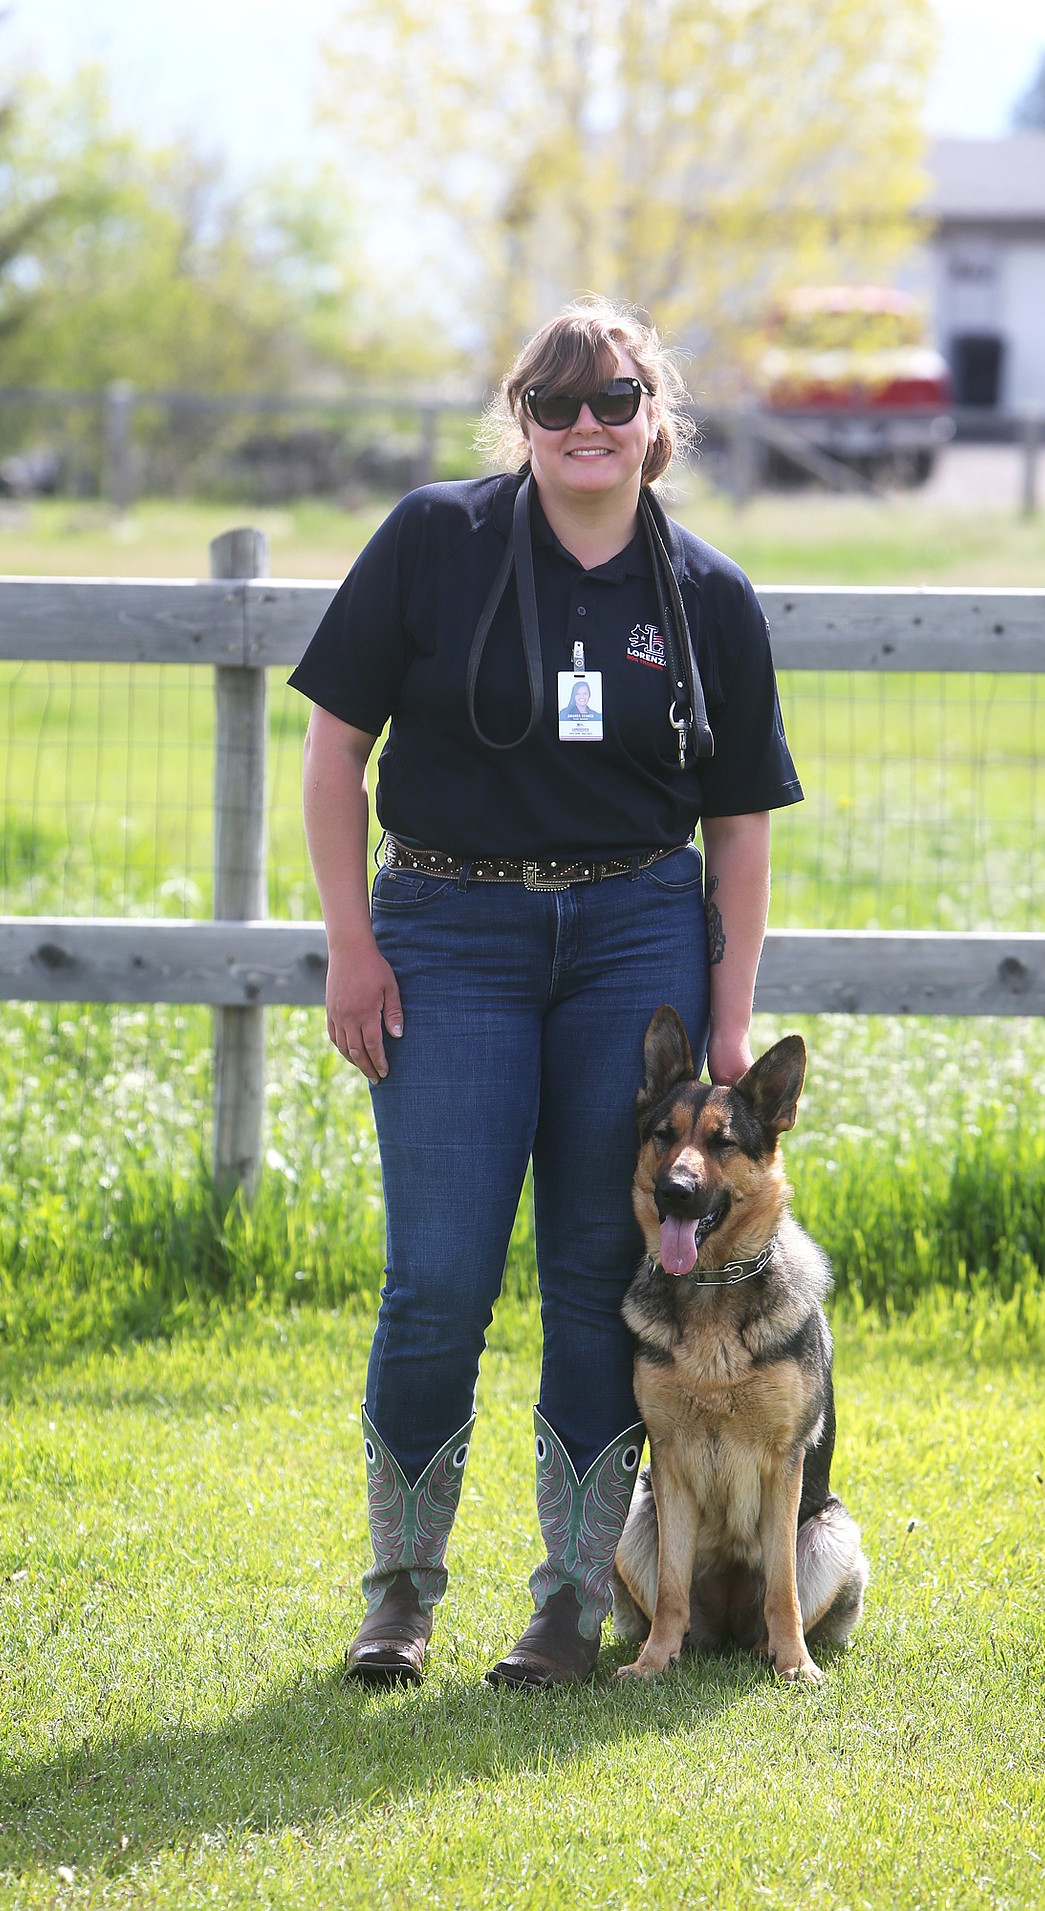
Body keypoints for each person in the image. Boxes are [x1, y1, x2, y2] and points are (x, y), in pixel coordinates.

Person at [289, 295, 802, 1690]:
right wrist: (352, 943)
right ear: (519, 418)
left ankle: (566, 1607)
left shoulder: (708, 598)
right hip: (446, 931)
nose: (586, 426)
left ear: (656, 423)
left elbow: (740, 825)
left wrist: (729, 1015)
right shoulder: (429, 543)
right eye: (555, 402)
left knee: (596, 1279)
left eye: (614, 401)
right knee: (437, 1279)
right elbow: (335, 753)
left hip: (634, 940)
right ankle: (399, 1593)